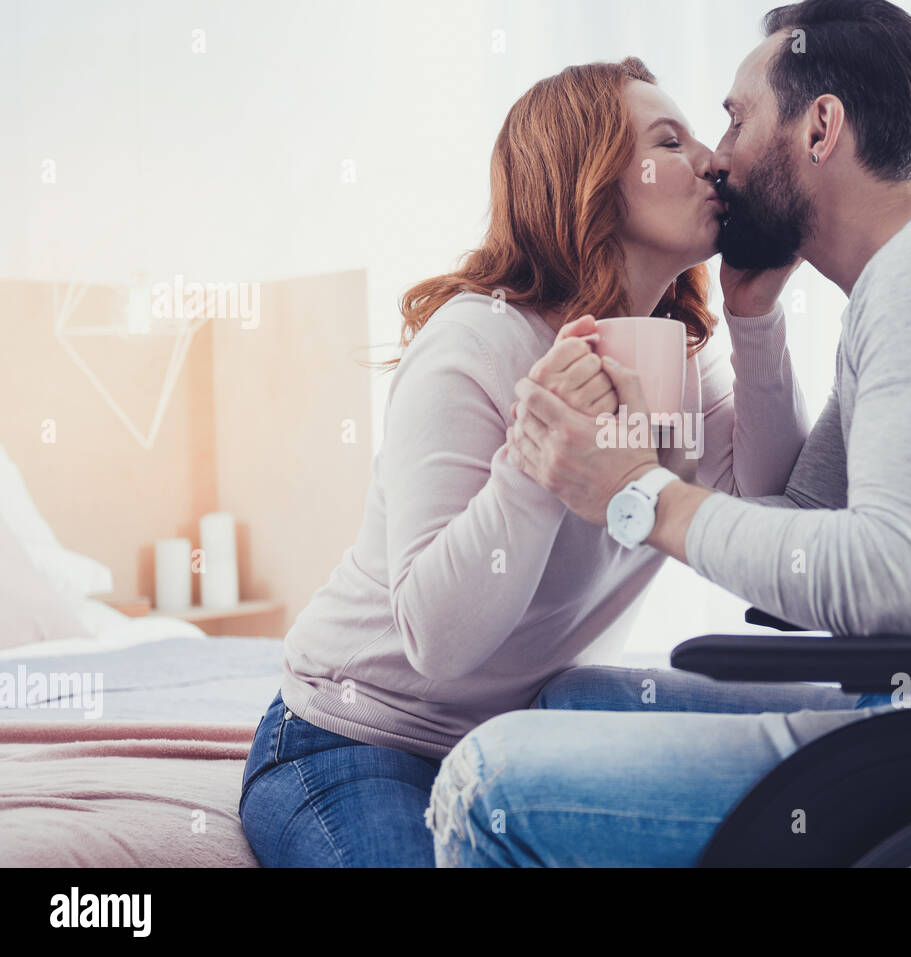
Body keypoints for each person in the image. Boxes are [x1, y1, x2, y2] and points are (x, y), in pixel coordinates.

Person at [428, 0, 911, 867]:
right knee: (570, 699)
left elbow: (893, 580)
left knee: (486, 781)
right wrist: (753, 316)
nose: (720, 159)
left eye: (737, 119)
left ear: (820, 126)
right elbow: (796, 523)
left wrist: (637, 492)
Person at [238, 54, 816, 866]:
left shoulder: (687, 356)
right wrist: (537, 466)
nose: (715, 160)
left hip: (519, 744)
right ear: (590, 178)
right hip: (356, 738)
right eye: (670, 141)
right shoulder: (475, 342)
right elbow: (434, 640)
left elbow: (776, 514)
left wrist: (754, 318)